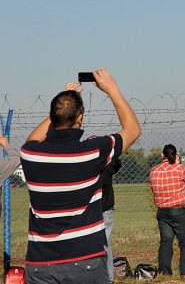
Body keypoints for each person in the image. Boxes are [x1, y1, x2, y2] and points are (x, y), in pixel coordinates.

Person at [20, 70, 141, 284]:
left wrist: (61, 107)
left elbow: (33, 139)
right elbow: (132, 130)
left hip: (40, 264)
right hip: (84, 261)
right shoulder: (92, 152)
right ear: (80, 118)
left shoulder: (30, 154)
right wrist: (112, 90)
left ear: (53, 117)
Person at [149, 144, 185, 276]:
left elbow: (153, 187)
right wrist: (178, 163)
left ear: (162, 155)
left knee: (166, 242)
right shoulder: (180, 168)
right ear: (175, 155)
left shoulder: (154, 170)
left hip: (162, 211)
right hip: (179, 210)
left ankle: (165, 273)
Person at [101, 157, 122, 284]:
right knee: (105, 246)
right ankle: (108, 279)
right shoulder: (107, 168)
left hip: (88, 212)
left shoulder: (85, 169)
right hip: (105, 211)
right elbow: (117, 163)